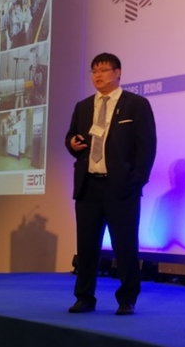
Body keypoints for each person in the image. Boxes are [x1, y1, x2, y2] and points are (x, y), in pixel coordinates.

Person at [65, 52, 157, 316]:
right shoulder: (83, 107)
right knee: (86, 246)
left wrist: (137, 180)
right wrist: (71, 144)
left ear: (118, 73)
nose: (98, 75)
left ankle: (127, 298)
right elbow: (72, 138)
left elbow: (147, 146)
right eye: (94, 71)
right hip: (88, 186)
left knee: (124, 245)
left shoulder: (136, 105)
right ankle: (84, 297)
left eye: (104, 70)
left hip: (121, 187)